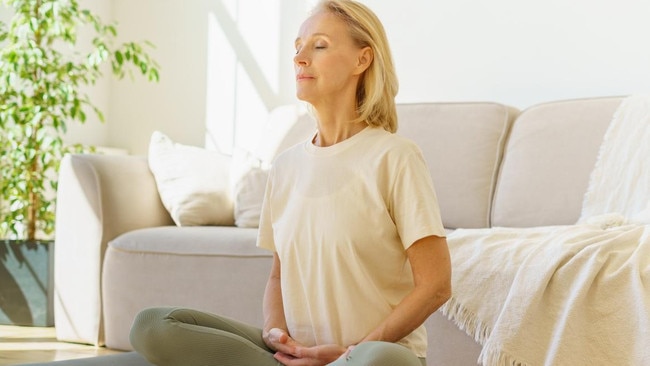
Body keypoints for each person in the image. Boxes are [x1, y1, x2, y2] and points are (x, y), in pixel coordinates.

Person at [129, 1, 451, 365]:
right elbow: (277, 278)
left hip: (372, 357)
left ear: (362, 60)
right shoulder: (285, 166)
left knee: (381, 362)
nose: (299, 58)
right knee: (153, 325)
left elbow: (435, 286)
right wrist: (276, 335)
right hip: (298, 356)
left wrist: (351, 351)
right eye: (297, 47)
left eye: (320, 45)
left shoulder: (395, 158)